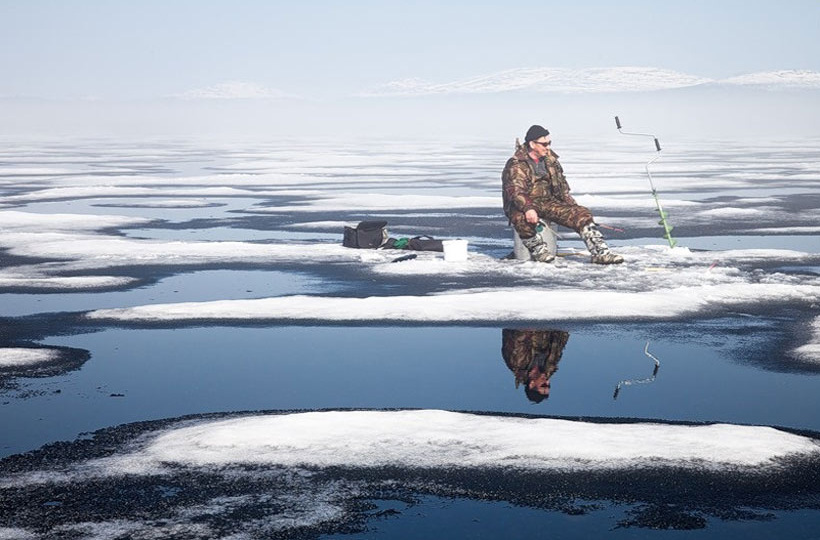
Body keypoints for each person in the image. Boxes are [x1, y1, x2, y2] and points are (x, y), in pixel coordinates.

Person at [502, 125, 623, 264]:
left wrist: (573, 208)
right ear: (532, 144)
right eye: (544, 144)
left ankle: (600, 253)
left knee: (581, 213)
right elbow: (516, 191)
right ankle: (538, 251)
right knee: (521, 218)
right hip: (522, 204)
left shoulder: (550, 161)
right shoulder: (517, 164)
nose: (548, 147)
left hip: (547, 202)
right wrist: (528, 208)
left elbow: (561, 187)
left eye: (549, 143)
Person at [501, 328, 569, 403]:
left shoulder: (517, 363)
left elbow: (518, 334)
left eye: (543, 385)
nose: (547, 381)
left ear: (532, 384)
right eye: (549, 385)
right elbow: (561, 340)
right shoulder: (550, 366)